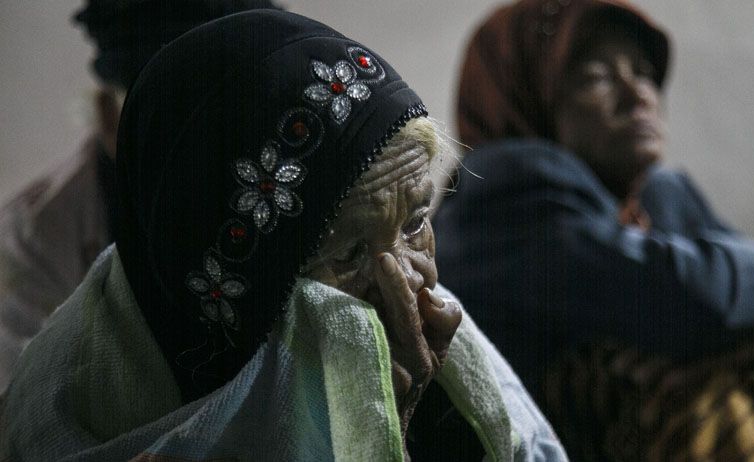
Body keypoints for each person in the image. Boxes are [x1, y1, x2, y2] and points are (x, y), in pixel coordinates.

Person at [0, 10, 568, 461]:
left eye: (417, 221)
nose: (414, 278)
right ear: (235, 297)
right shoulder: (69, 411)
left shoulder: (449, 365)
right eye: (346, 251)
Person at [434, 0, 754, 459]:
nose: (639, 93)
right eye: (597, 76)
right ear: (527, 90)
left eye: (643, 71)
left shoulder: (662, 197)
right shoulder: (506, 188)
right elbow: (690, 301)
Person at [0, 0, 283, 393]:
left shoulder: (288, 182)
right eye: (170, 112)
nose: (202, 140)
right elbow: (31, 415)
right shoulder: (35, 238)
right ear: (109, 117)